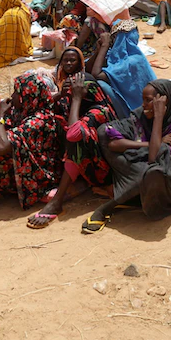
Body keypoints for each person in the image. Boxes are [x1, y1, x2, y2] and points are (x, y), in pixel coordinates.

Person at [81, 79, 171, 233]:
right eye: (143, 100)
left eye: (148, 101)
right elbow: (111, 138)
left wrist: (159, 117)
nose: (144, 105)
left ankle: (110, 206)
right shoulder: (143, 115)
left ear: (164, 104)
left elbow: (154, 158)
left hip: (166, 188)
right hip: (142, 166)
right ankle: (133, 194)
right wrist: (150, 144)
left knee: (152, 171)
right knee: (103, 133)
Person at [26, 72, 116, 229]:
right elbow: (40, 109)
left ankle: (57, 202)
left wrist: (76, 98)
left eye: (76, 90)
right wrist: (61, 94)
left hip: (106, 171)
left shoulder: (101, 109)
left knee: (77, 141)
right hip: (89, 166)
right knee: (56, 122)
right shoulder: (74, 105)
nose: (71, 94)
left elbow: (74, 134)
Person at [0, 72, 63, 215]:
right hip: (23, 164)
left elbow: (2, 148)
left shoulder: (39, 120)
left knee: (3, 150)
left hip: (39, 173)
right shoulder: (21, 109)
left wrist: (1, 116)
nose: (12, 96)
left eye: (16, 92)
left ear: (28, 96)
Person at [93, 18, 157, 117]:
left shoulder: (132, 61)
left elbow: (96, 74)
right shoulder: (121, 57)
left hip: (138, 112)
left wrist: (104, 46)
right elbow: (86, 68)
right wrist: (98, 51)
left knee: (101, 84)